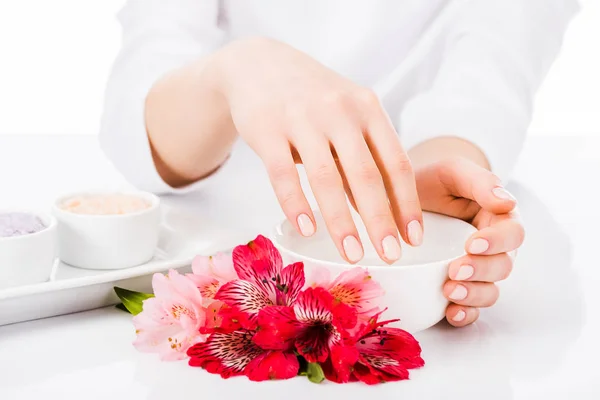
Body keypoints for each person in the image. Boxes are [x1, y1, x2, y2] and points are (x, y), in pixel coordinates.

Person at [99, 0, 578, 327]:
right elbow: (136, 123)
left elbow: (491, 67)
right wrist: (232, 71)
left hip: (404, 221)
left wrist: (439, 172)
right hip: (210, 233)